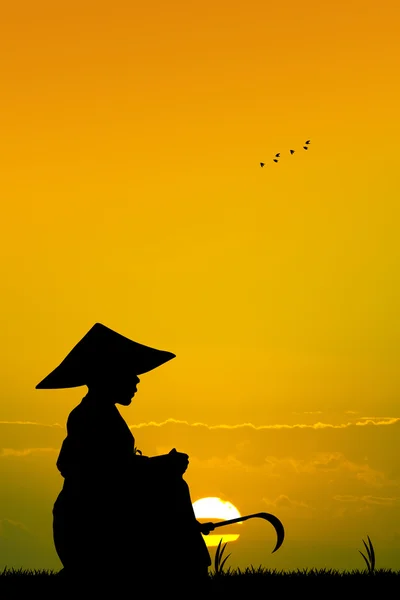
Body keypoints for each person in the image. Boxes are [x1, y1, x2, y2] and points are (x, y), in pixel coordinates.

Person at [35, 323, 213, 592]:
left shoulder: (93, 413)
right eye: (130, 373)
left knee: (171, 483)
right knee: (172, 485)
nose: (137, 380)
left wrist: (159, 466)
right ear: (109, 375)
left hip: (91, 521)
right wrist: (161, 466)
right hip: (92, 525)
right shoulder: (92, 416)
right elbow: (108, 474)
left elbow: (115, 468)